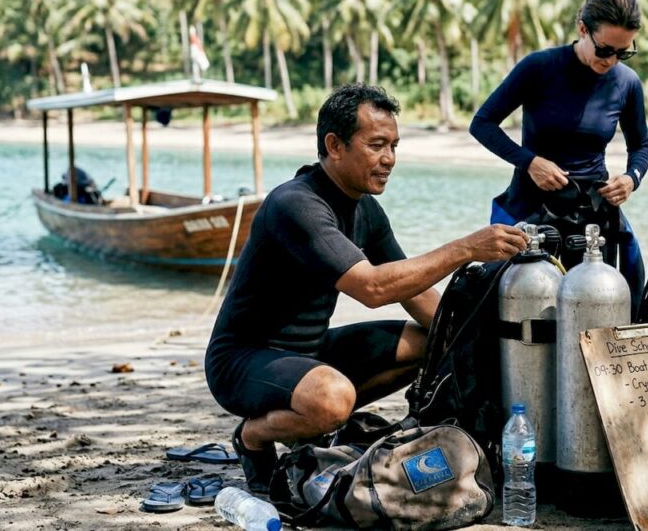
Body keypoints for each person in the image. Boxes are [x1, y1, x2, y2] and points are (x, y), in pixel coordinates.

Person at [205, 83, 529, 493]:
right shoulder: (296, 204)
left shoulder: (366, 210)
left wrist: (467, 341)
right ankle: (254, 436)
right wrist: (466, 248)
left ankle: (314, 422)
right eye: (376, 145)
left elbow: (414, 293)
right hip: (241, 360)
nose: (389, 158)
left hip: (310, 353)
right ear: (334, 145)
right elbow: (372, 289)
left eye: (394, 146)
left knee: (429, 342)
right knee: (332, 400)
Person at [469, 0, 648, 310]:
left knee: (631, 279)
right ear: (582, 28)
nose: (611, 60)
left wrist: (631, 179)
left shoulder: (626, 83)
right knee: (494, 296)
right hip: (530, 202)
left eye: (623, 52)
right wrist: (530, 162)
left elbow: (640, 146)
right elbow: (482, 123)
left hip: (594, 206)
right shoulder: (539, 67)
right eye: (604, 50)